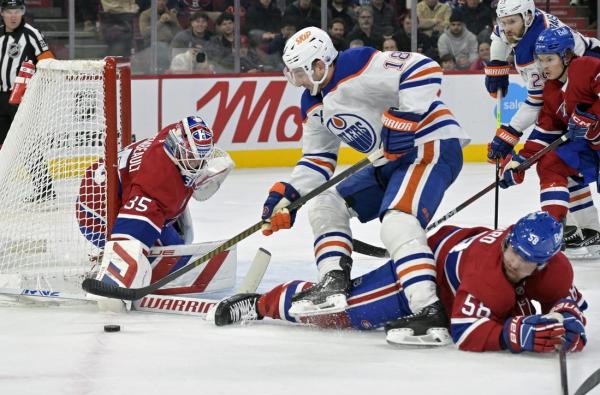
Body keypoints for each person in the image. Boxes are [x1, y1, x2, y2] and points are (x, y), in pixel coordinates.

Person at [260, 27, 469, 345]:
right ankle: (334, 281)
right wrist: (289, 195)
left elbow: (424, 68)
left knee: (398, 220)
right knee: (324, 203)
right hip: (387, 161)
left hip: (430, 143)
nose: (298, 81)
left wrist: (405, 118)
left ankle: (429, 310)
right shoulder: (312, 103)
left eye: (301, 72)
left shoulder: (356, 64)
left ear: (319, 65)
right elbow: (317, 159)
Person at [210, 212, 588, 353]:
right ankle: (262, 303)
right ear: (507, 240)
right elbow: (468, 331)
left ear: (546, 262)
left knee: (510, 303)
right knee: (344, 312)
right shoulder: (486, 273)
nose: (516, 261)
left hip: (458, 267)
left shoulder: (554, 269)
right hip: (428, 270)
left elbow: (570, 302)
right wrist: (514, 335)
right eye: (514, 251)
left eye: (528, 261)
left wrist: (569, 320)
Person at [76, 116, 234, 308]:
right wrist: (115, 284)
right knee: (178, 257)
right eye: (192, 157)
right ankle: (104, 263)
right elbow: (127, 238)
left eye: (202, 157)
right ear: (178, 147)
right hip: (95, 216)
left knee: (177, 229)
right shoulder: (156, 186)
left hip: (107, 187)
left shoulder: (170, 136)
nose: (199, 165)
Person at [484, 0, 600, 251]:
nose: (544, 66)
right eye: (541, 61)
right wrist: (522, 159)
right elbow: (546, 127)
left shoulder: (584, 67)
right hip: (587, 134)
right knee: (555, 163)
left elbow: (536, 104)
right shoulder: (552, 87)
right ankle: (579, 230)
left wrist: (592, 115)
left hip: (590, 119)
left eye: (549, 60)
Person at [0, 0, 55, 203]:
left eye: (17, 10)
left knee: (26, 143)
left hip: (20, 98)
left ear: (22, 12)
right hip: (0, 98)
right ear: (2, 13)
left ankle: (45, 188)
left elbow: (48, 61)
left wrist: (37, 90)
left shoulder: (31, 33)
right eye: (9, 11)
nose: (13, 15)